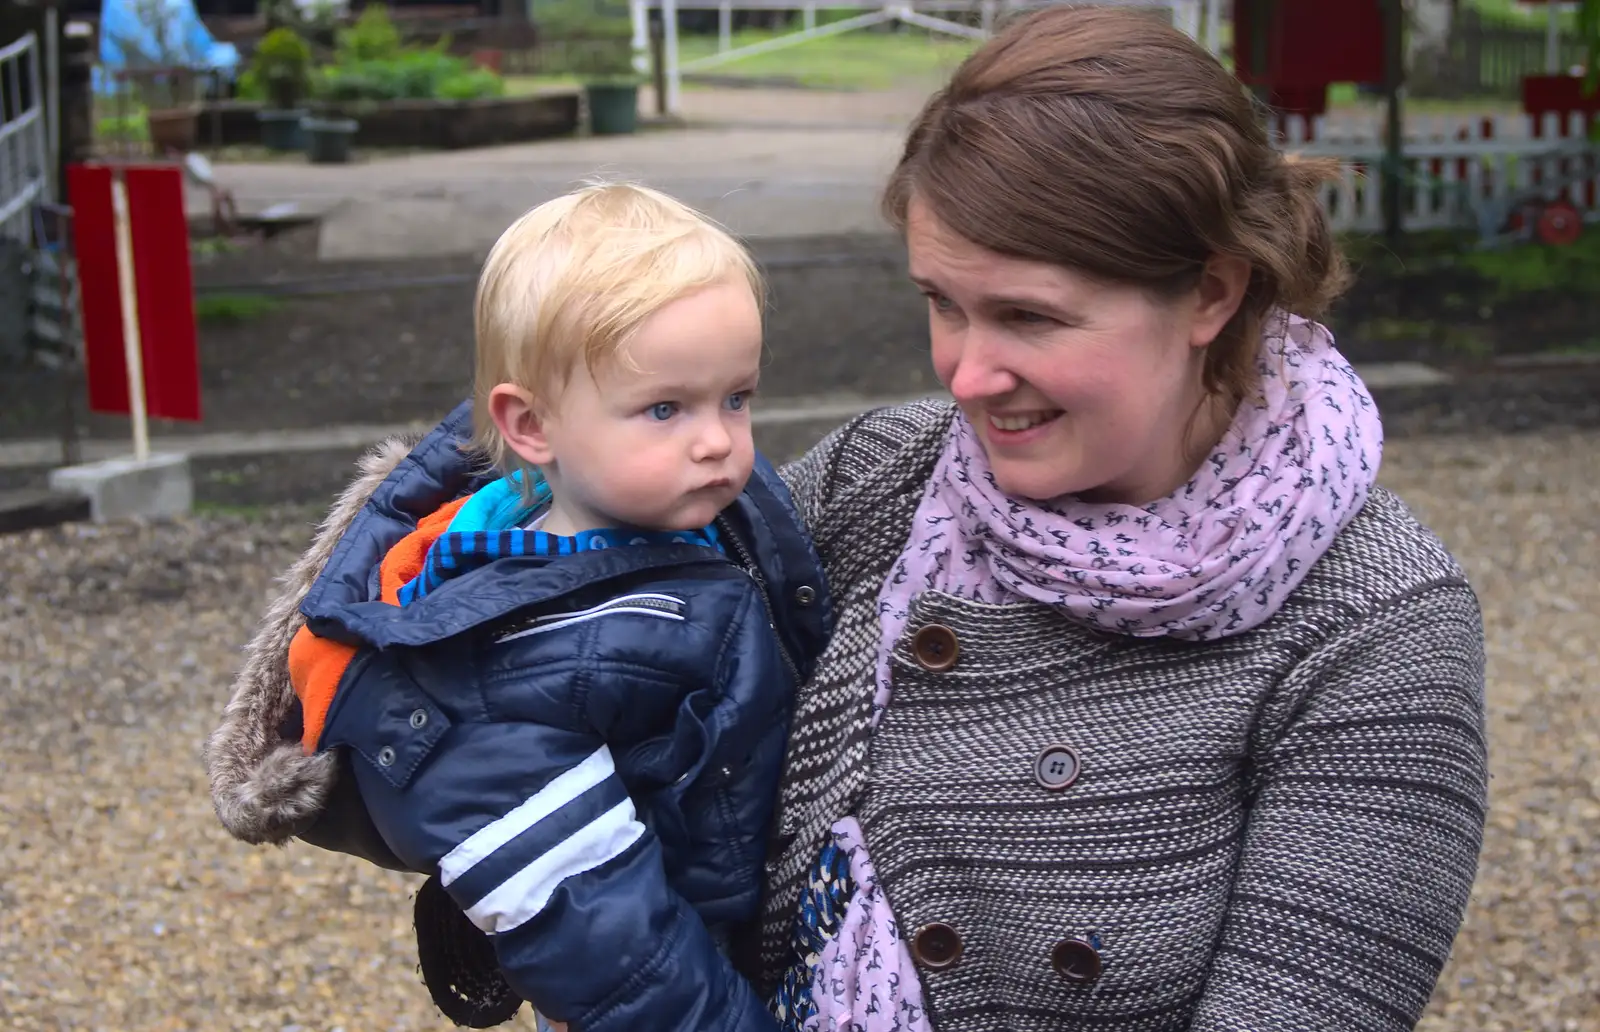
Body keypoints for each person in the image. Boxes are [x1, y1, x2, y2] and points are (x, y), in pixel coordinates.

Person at [209, 8, 1489, 1031]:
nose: (964, 373)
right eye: (944, 302)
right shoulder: (884, 477)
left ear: (1210, 290)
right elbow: (558, 662)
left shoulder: (1374, 623)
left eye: (1031, 318)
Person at [206, 183, 831, 1032]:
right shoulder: (491, 676)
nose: (718, 440)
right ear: (531, 426)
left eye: (737, 397)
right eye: (664, 408)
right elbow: (607, 946)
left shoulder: (674, 505)